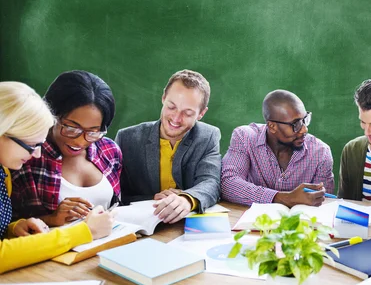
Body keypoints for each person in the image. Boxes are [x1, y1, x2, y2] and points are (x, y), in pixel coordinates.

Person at [0, 81, 114, 274]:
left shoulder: (5, 172)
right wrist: (85, 232)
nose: (36, 154)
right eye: (30, 145)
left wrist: (14, 228)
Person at [11, 71, 122, 226]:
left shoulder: (109, 150)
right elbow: (8, 228)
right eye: (71, 128)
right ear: (51, 114)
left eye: (92, 132)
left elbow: (119, 207)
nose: (79, 141)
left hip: (111, 246)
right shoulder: (25, 156)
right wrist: (51, 220)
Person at [115, 69, 221, 223]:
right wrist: (153, 198)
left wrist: (186, 199)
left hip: (186, 228)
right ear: (163, 98)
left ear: (201, 114)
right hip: (140, 226)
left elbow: (211, 183)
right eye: (172, 107)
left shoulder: (208, 136)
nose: (176, 119)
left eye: (188, 113)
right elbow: (116, 194)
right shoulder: (127, 138)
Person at [221, 90, 334, 207]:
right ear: (272, 126)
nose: (304, 129)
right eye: (296, 124)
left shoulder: (321, 153)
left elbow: (324, 203)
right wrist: (285, 198)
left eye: (305, 119)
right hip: (250, 222)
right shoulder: (244, 137)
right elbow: (228, 184)